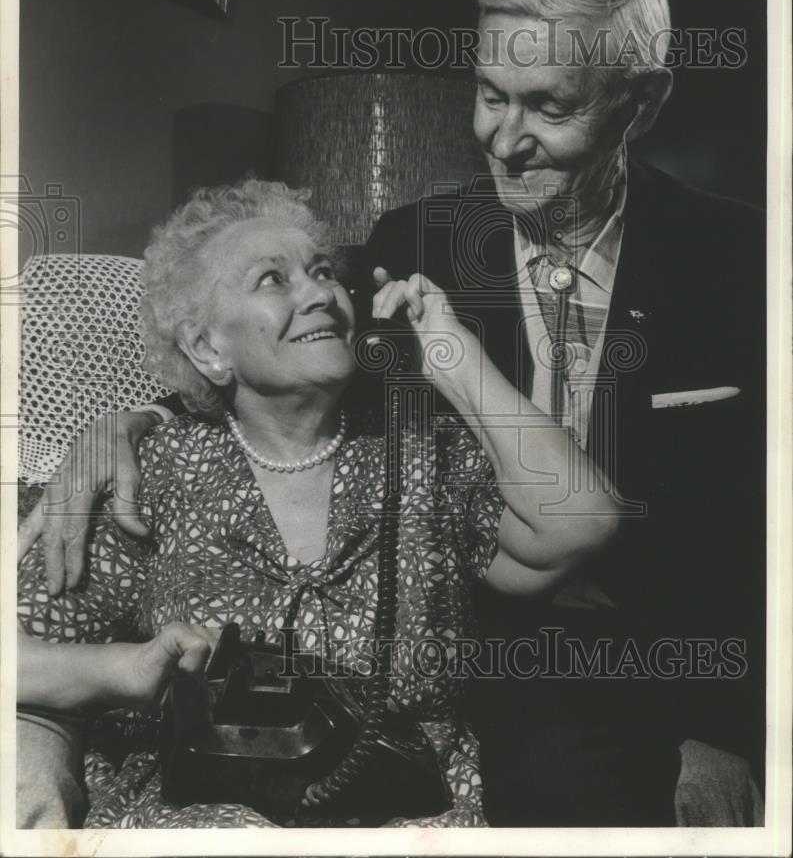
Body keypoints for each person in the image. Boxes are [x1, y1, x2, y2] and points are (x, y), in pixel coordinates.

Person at [20, 0, 766, 826]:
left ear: (638, 106)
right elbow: (275, 375)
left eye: (548, 108)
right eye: (489, 95)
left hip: (682, 658)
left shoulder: (748, 260)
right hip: (494, 664)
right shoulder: (418, 247)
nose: (503, 138)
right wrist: (123, 427)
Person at [17, 179, 620, 828]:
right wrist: (129, 669)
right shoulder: (153, 475)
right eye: (272, 280)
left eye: (323, 272)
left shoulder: (423, 452)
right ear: (207, 348)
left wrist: (450, 353)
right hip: (200, 816)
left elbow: (580, 523)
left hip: (402, 815)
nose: (319, 295)